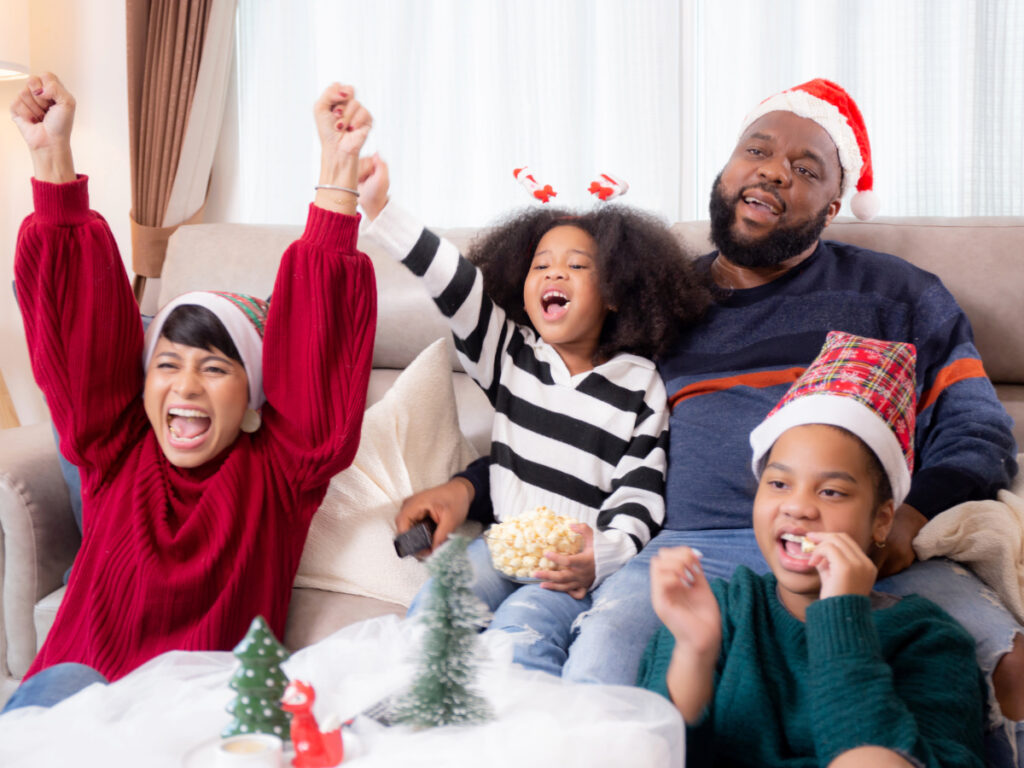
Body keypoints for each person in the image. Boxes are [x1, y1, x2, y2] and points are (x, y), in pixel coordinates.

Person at [410, 78, 1024, 760]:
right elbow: (568, 424)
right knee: (603, 673)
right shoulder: (656, 303)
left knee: (1009, 664)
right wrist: (468, 487)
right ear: (727, 168)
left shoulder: (897, 294)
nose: (774, 171)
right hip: (689, 547)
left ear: (833, 206)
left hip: (859, 541)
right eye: (756, 151)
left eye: (805, 169)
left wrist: (905, 522)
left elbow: (977, 430)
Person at [3, 74, 377, 711]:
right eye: (168, 364)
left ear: (254, 400)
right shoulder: (113, 450)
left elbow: (321, 335)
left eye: (214, 369)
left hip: (192, 718)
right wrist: (51, 155)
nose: (184, 385)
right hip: (76, 694)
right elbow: (77, 333)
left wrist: (338, 168)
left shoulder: (280, 475)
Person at [355, 158, 710, 675]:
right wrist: (383, 211)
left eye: (577, 266)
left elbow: (639, 493)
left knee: (521, 632)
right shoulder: (508, 355)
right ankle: (410, 709)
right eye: (541, 266)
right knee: (435, 610)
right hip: (499, 548)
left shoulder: (641, 384)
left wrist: (603, 555)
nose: (554, 273)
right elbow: (457, 285)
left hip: (567, 567)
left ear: (614, 294)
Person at [638, 331, 987, 768]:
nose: (799, 507)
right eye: (778, 484)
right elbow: (654, 754)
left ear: (882, 519)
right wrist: (695, 654)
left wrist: (841, 615)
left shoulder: (929, 639)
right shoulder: (717, 612)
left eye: (832, 492)